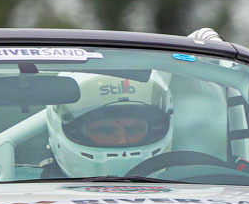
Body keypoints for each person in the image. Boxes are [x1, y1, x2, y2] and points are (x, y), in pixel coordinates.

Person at [42, 73, 173, 178]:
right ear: (77, 133)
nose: (122, 141)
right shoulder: (34, 192)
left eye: (133, 129)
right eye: (104, 130)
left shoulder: (184, 182)